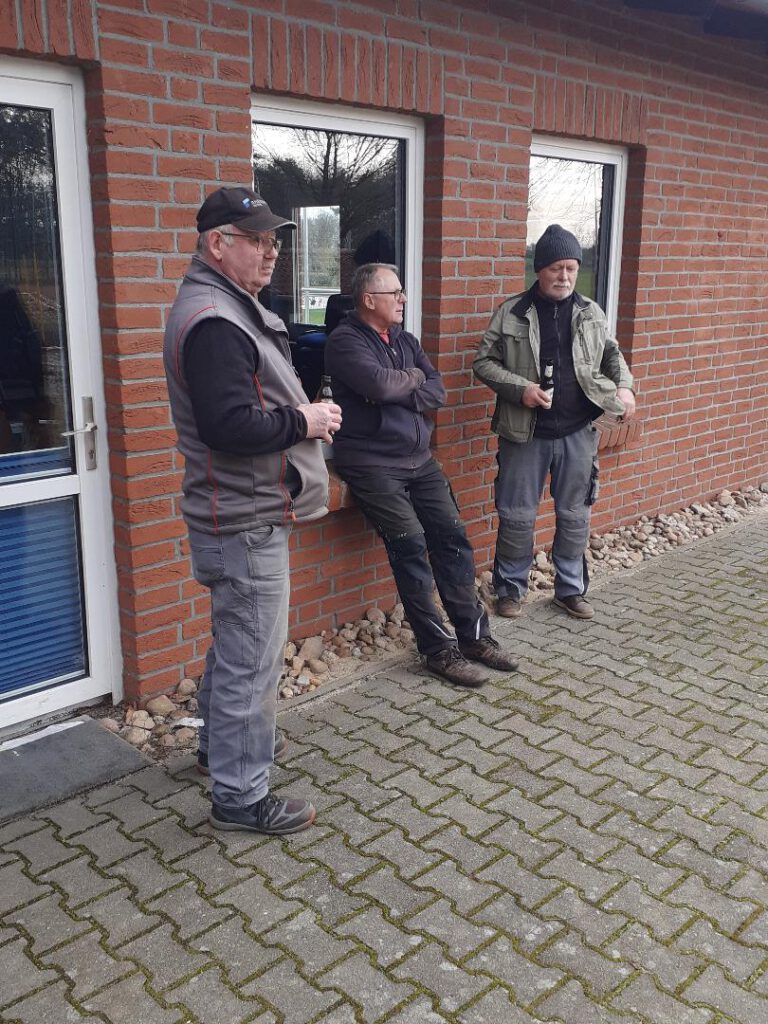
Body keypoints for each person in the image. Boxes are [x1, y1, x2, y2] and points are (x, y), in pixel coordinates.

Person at [163, 187, 342, 835]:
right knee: (253, 659)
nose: (271, 252)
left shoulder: (224, 307)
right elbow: (229, 426)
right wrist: (305, 419)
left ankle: (219, 747)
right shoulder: (215, 321)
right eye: (257, 240)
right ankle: (240, 796)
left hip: (238, 511)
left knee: (238, 639)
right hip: (241, 518)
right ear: (218, 244)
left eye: (274, 241)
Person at [324, 262, 518, 688]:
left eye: (402, 292)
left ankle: (474, 637)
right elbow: (379, 386)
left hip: (419, 459)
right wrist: (410, 381)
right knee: (410, 543)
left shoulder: (405, 340)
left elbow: (438, 390)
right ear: (368, 299)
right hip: (372, 462)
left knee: (453, 538)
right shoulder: (344, 341)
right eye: (394, 293)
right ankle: (437, 651)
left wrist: (404, 385)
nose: (403, 299)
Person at [473, 224, 637, 621]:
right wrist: (522, 389)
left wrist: (625, 387)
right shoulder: (512, 312)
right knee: (517, 515)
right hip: (523, 433)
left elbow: (612, 354)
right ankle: (509, 590)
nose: (564, 276)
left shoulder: (590, 312)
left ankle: (570, 590)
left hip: (577, 431)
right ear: (540, 269)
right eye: (556, 268)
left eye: (571, 268)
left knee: (576, 514)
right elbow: (484, 362)